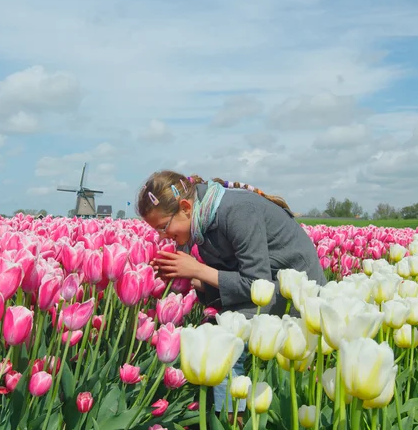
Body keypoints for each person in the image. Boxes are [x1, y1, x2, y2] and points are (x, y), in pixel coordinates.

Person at [136, 170, 326, 426]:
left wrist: (197, 270)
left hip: (298, 294)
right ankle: (229, 410)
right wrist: (191, 280)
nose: (161, 236)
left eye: (163, 227)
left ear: (185, 207)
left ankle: (231, 419)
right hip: (268, 287)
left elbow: (255, 284)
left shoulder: (238, 212)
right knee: (212, 334)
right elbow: (233, 279)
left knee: (224, 339)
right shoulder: (201, 225)